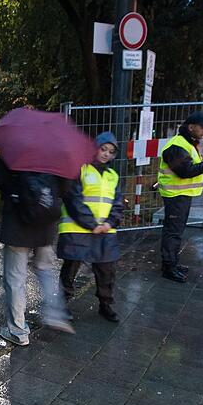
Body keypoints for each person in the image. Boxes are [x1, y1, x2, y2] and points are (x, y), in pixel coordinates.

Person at [0, 155, 76, 346]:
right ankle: (56, 313)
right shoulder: (53, 153)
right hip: (45, 225)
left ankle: (18, 332)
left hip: (17, 227)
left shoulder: (13, 152)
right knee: (45, 269)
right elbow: (66, 188)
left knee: (15, 279)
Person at [57, 132, 124, 322]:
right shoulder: (80, 170)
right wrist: (93, 224)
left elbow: (117, 203)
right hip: (78, 229)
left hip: (104, 231)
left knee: (106, 271)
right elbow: (73, 199)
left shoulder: (113, 176)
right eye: (103, 149)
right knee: (71, 269)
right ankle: (62, 304)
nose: (106, 154)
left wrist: (109, 223)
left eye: (111, 152)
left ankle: (106, 305)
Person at [158, 112, 203, 282]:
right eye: (202, 127)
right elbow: (185, 170)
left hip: (181, 194)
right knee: (173, 232)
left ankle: (172, 262)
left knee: (176, 231)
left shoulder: (187, 143)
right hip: (176, 194)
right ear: (191, 127)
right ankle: (169, 267)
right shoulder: (177, 145)